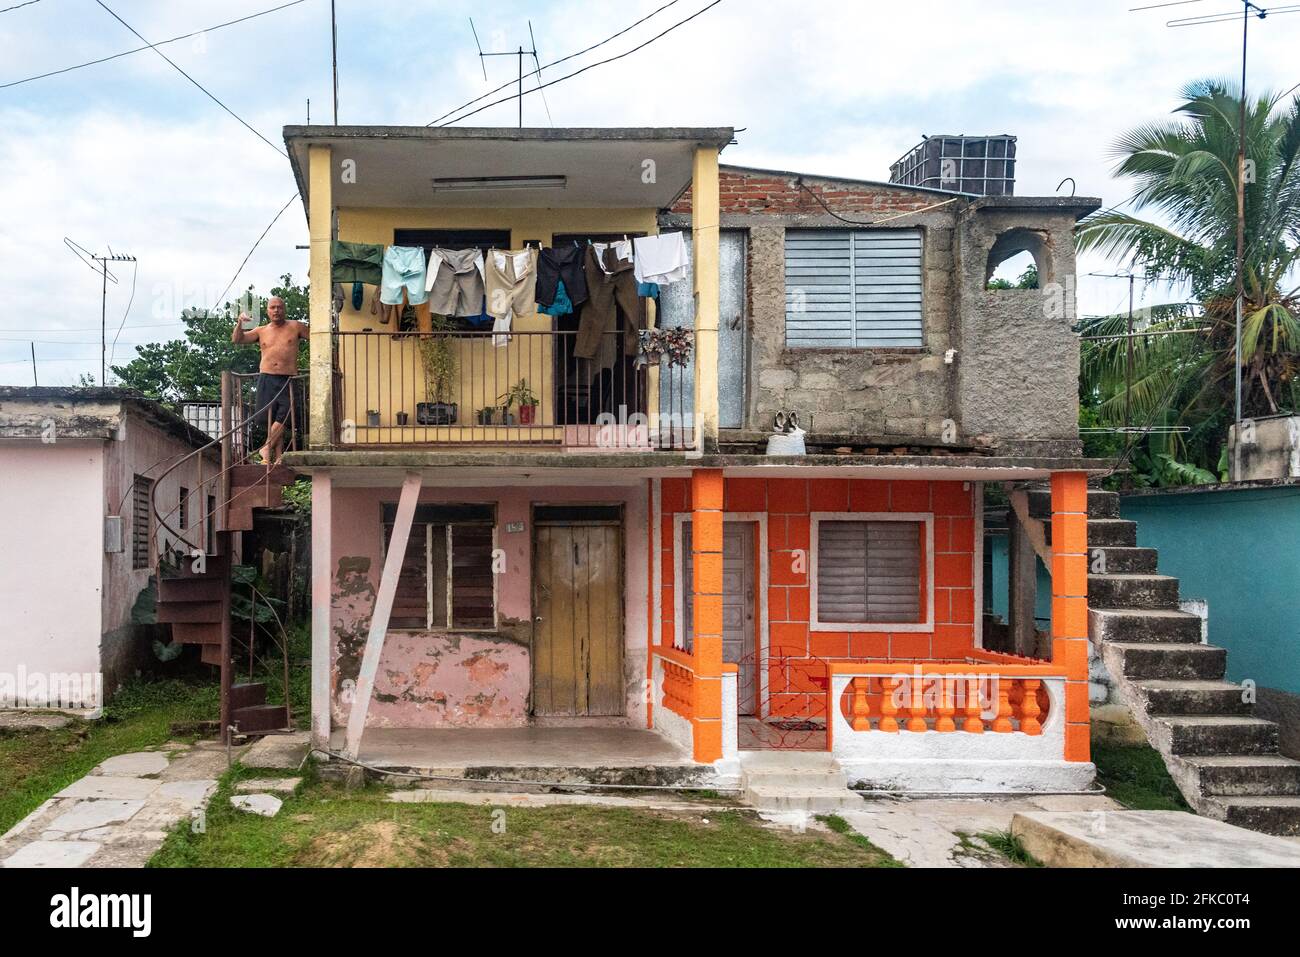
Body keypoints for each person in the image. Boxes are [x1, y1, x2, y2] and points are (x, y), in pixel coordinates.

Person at [231, 296, 307, 464]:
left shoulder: (295, 326)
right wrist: (239, 323)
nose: (276, 310)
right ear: (267, 310)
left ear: (284, 309)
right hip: (267, 377)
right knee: (270, 419)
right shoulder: (261, 330)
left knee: (286, 414)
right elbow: (237, 339)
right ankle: (277, 457)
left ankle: (265, 448)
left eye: (279, 307)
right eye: (272, 307)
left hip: (287, 378)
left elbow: (317, 337)